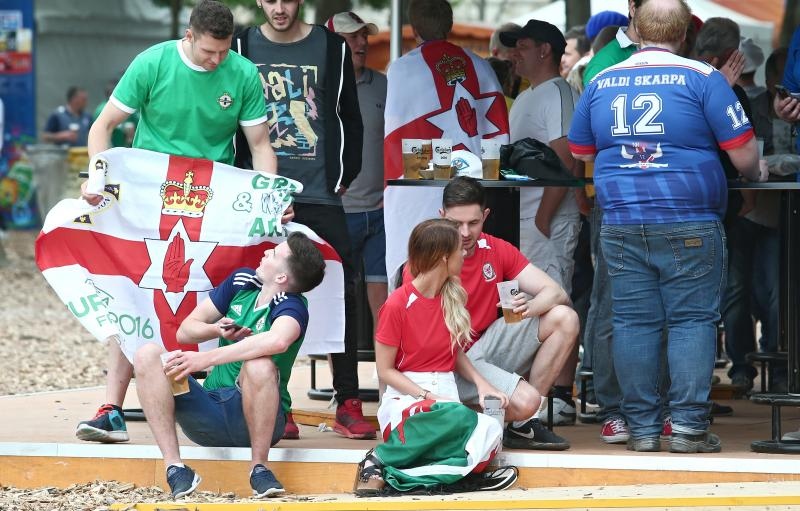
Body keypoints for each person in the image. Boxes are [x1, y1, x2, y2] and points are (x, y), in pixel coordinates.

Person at [75, 0, 278, 445]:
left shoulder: (242, 72)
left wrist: (270, 195)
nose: (217, 60)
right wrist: (97, 176)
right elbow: (103, 126)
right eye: (209, 51)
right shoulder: (152, 62)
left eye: (224, 51)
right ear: (189, 36)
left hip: (213, 197)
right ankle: (111, 406)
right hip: (148, 195)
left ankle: (222, 399)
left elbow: (259, 143)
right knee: (134, 293)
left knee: (211, 293)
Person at [569, 0, 766, 453]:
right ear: (685, 35)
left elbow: (581, 151)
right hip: (690, 217)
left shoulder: (600, 81)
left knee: (633, 323)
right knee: (691, 322)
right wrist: (757, 173)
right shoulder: (704, 80)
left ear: (635, 28)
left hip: (620, 220)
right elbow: (744, 155)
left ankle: (640, 429)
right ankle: (688, 429)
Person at [232, 0, 372, 441]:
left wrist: (345, 174)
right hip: (260, 194)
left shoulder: (333, 47)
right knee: (261, 292)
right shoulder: (240, 44)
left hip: (319, 191)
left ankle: (347, 398)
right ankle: (280, 402)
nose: (278, 7)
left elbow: (350, 115)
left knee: (341, 289)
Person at [134, 232, 326, 498]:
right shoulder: (242, 282)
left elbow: (279, 340)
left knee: (260, 364)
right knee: (147, 355)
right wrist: (216, 330)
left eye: (274, 253)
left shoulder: (292, 304)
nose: (266, 252)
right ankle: (176, 469)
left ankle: (260, 469)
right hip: (208, 411)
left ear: (281, 278)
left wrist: (204, 358)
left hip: (255, 422)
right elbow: (185, 332)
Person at [355, 219, 516, 496]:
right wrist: (427, 396)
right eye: (459, 250)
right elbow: (384, 370)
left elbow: (454, 352)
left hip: (445, 399)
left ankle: (414, 476)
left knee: (490, 432)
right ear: (444, 257)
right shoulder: (397, 303)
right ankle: (381, 457)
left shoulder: (451, 296)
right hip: (408, 398)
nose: (465, 254)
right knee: (458, 419)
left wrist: (481, 384)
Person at [435, 176, 579, 450]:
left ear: (486, 216)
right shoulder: (429, 253)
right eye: (455, 224)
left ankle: (525, 423)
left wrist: (527, 308)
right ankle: (461, 422)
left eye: (473, 223)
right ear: (441, 215)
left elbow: (556, 292)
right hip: (449, 361)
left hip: (485, 347)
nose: (465, 233)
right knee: (525, 401)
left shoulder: (496, 248)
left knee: (564, 317)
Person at [500, 20, 582, 426]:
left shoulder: (558, 92)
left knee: (554, 298)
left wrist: (545, 215)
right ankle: (529, 390)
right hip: (526, 218)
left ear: (545, 50)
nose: (515, 53)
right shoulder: (530, 94)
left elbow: (566, 157)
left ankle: (560, 395)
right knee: (522, 305)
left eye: (523, 46)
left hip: (545, 219)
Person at [326, 11, 388, 342]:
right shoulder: (321, 84)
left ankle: (387, 390)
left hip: (380, 212)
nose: (362, 42)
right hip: (339, 212)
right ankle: (344, 391)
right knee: (339, 304)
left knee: (385, 306)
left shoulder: (383, 85)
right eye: (353, 36)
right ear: (333, 41)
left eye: (364, 35)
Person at [93, 79, 137, 148]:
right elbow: (100, 132)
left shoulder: (128, 108)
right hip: (110, 150)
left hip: (126, 149)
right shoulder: (102, 109)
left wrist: (132, 135)